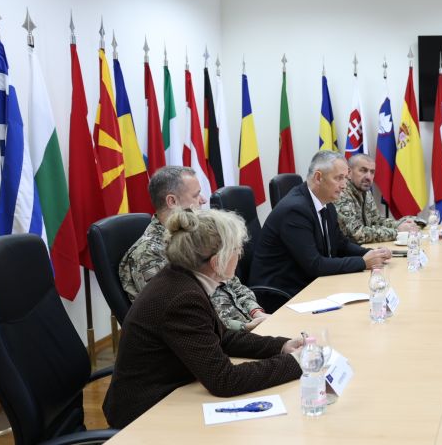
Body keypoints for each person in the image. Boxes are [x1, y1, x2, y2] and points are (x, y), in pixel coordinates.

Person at [104, 209, 308, 429]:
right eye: (236, 249)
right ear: (216, 262)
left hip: (173, 391)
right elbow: (224, 380)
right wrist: (296, 363)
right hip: (145, 414)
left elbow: (222, 337)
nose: (240, 255)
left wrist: (282, 346)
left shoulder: (183, 277)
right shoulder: (182, 298)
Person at [119, 166, 268, 331]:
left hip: (245, 324)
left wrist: (256, 312)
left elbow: (231, 281)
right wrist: (244, 327)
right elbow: (179, 316)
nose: (203, 200)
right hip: (211, 335)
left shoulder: (199, 234)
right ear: (172, 201)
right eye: (196, 195)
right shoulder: (148, 254)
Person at [249, 151, 391, 295]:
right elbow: (314, 265)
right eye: (339, 178)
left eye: (345, 178)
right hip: (281, 293)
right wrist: (363, 262)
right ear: (318, 177)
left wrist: (372, 254)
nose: (344, 185)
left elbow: (341, 244)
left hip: (308, 284)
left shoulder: (327, 204)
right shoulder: (295, 210)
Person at [336, 153, 419, 243]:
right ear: (349, 173)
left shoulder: (365, 191)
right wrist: (398, 232)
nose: (368, 177)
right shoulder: (341, 193)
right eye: (363, 171)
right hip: (345, 250)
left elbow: (376, 220)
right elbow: (356, 234)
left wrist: (400, 225)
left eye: (372, 172)